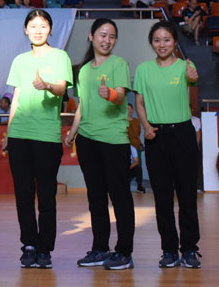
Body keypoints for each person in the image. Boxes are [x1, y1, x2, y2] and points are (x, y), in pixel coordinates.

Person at [1, 9, 72, 269]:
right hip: (19, 134)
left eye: (43, 25)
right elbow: (16, 98)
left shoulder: (60, 56)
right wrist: (9, 131)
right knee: (23, 195)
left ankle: (45, 248)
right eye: (33, 26)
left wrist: (48, 86)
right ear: (25, 30)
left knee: (46, 195)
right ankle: (29, 245)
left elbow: (62, 88)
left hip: (46, 135)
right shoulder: (20, 60)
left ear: (50, 29)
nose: (38, 30)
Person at [64, 18, 136, 270]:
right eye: (103, 35)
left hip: (113, 140)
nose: (107, 40)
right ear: (91, 36)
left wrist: (111, 94)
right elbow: (82, 105)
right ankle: (100, 248)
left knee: (120, 196)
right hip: (87, 140)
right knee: (95, 197)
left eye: (112, 36)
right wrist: (73, 131)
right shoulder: (83, 70)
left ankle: (124, 252)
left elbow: (120, 97)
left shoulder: (118, 64)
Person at [133, 21, 201, 268]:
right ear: (152, 43)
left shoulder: (186, 66)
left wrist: (192, 79)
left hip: (183, 133)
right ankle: (169, 250)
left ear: (175, 42)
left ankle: (190, 249)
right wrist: (146, 126)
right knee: (162, 198)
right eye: (157, 40)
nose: (162, 44)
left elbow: (193, 90)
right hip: (156, 135)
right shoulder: (143, 69)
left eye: (167, 40)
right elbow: (139, 103)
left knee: (187, 197)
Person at [126, 103, 146, 193]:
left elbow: (138, 132)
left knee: (138, 165)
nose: (129, 111)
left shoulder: (136, 120)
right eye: (127, 109)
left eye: (130, 109)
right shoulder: (123, 121)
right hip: (126, 145)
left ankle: (139, 185)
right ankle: (127, 182)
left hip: (137, 145)